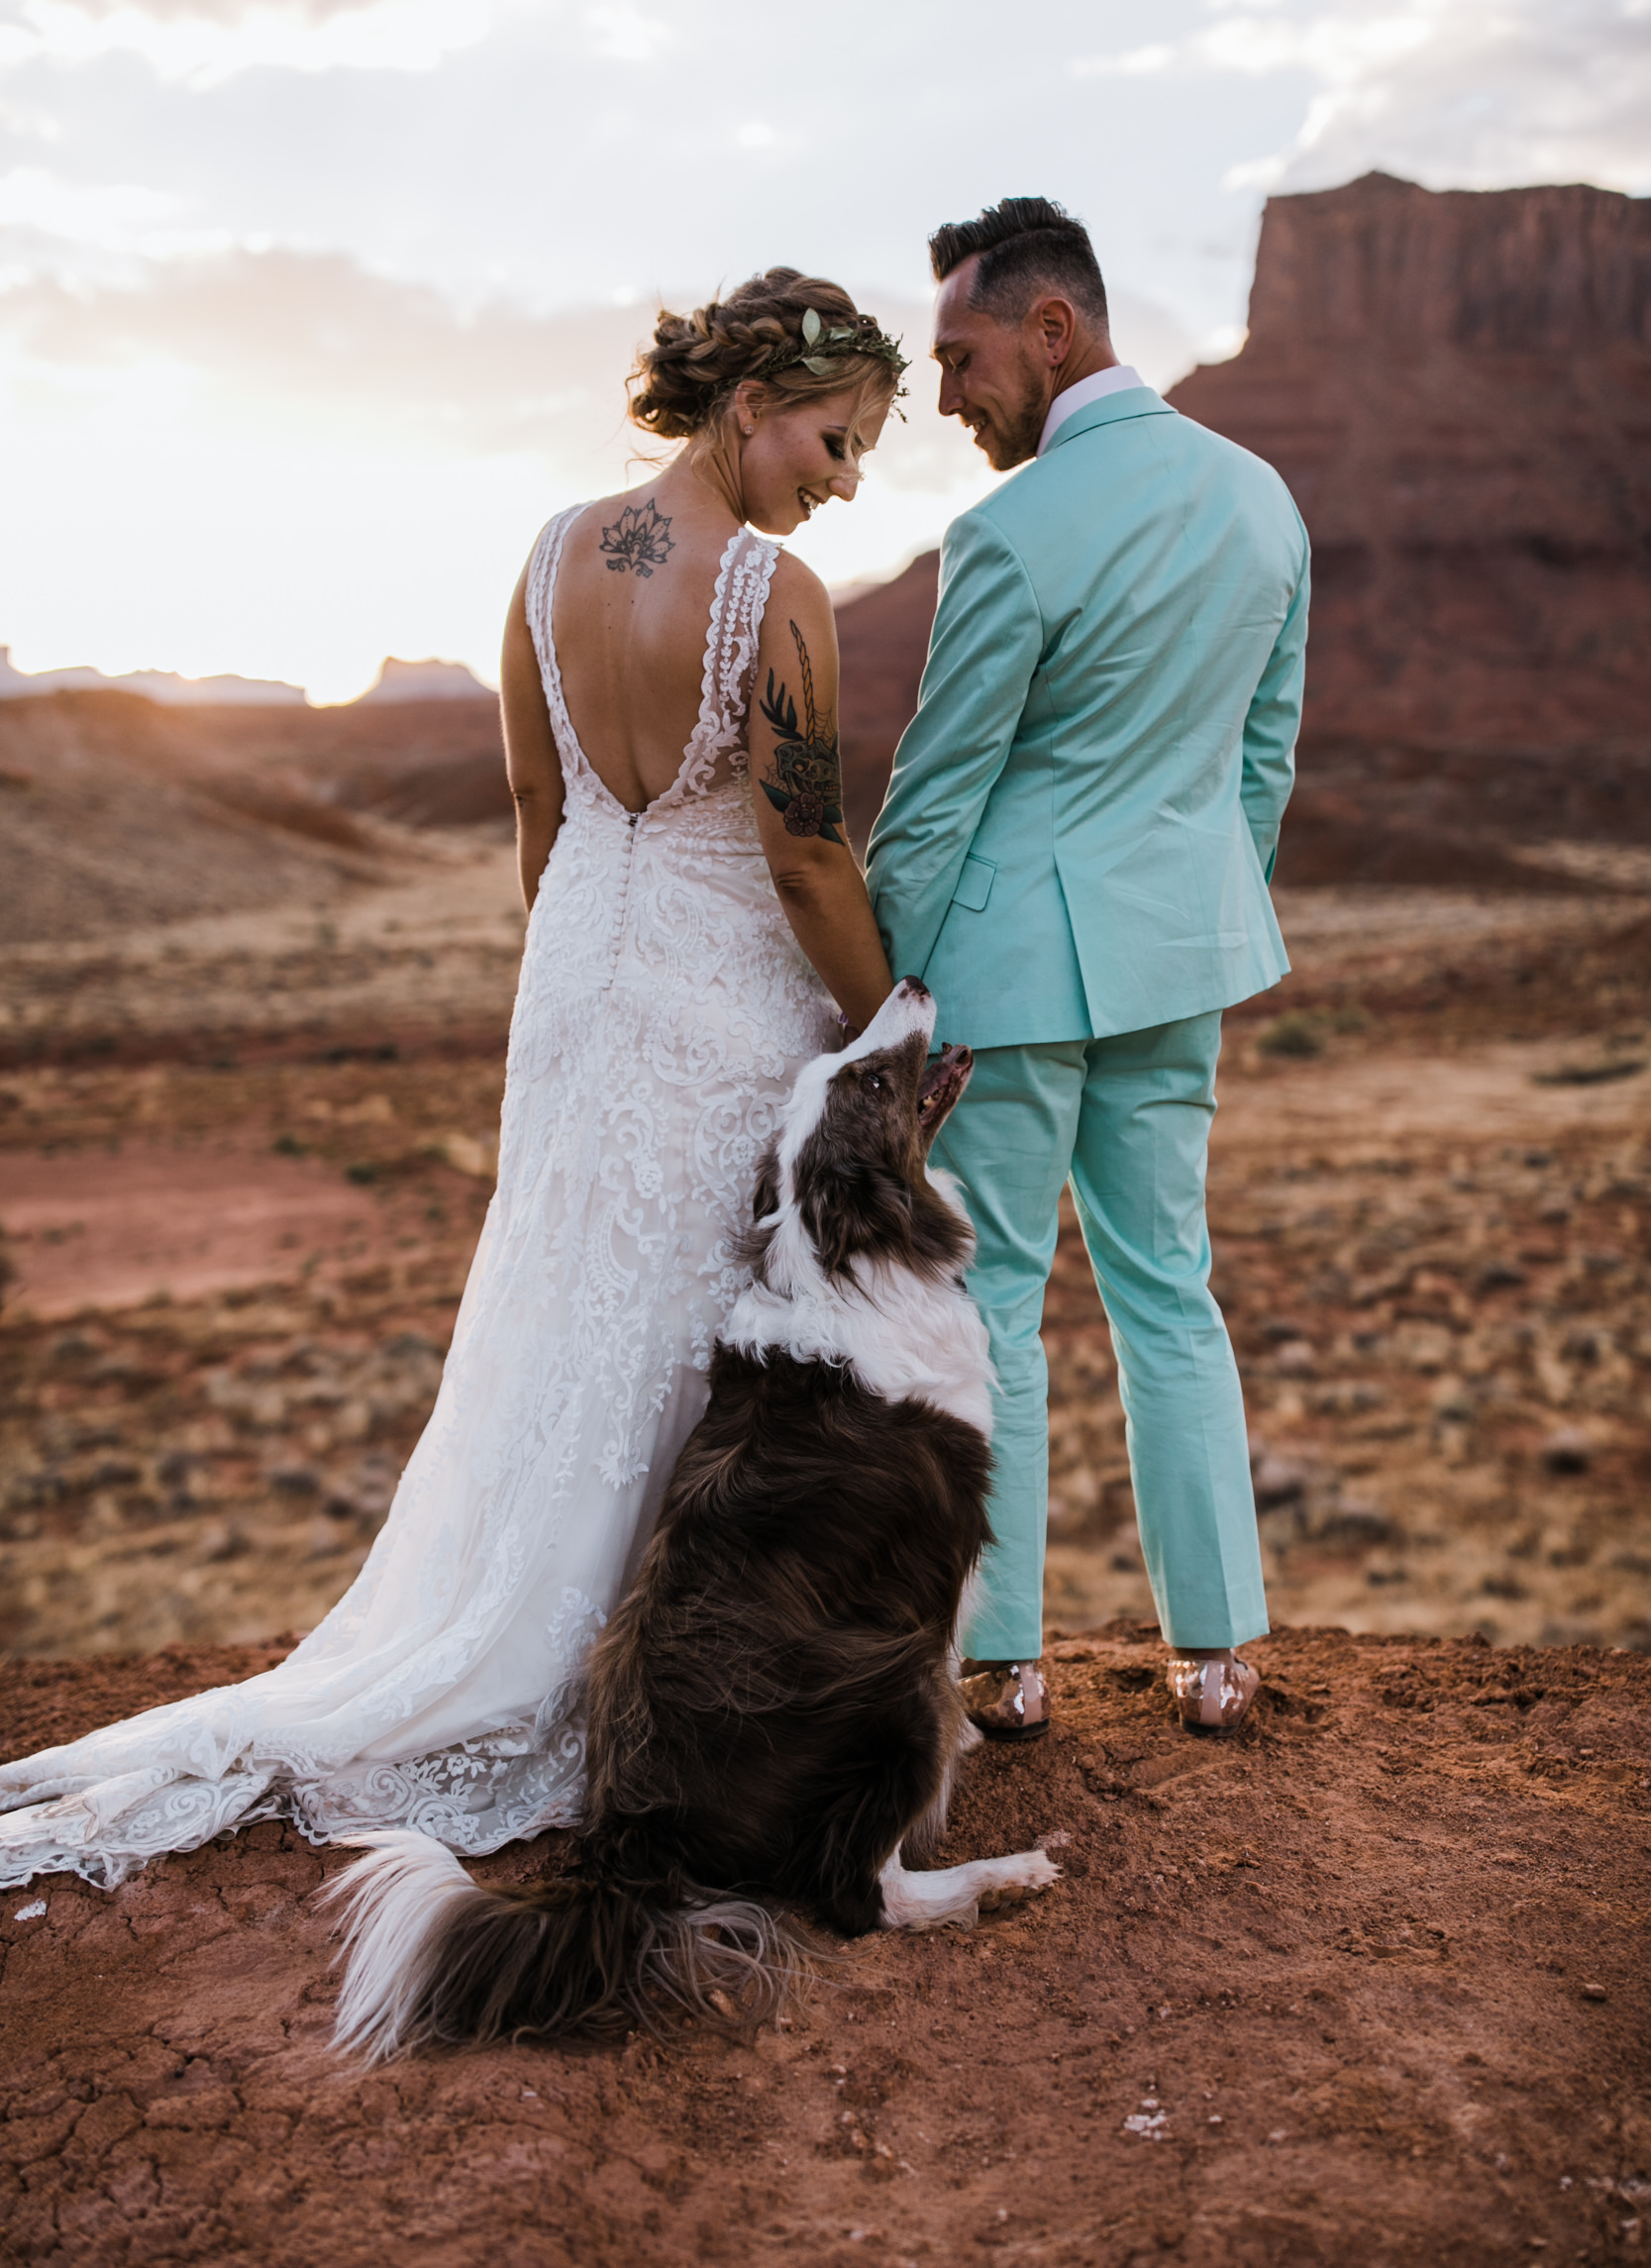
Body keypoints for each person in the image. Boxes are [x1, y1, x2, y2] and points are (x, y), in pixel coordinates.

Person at [0, 270, 901, 1890]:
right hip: (721, 1000)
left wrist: (572, 990)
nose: (847, 482)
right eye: (838, 442)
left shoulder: (550, 555)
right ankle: (630, 1675)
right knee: (685, 1323)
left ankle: (519, 1621)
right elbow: (810, 856)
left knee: (569, 1305)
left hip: (575, 974)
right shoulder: (774, 595)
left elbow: (535, 809)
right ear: (755, 405)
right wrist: (895, 1022)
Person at [866, 197, 1308, 1739]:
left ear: (1054, 331)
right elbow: (1263, 762)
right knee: (1167, 1286)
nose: (948, 395)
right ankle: (1217, 1653)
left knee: (999, 1297)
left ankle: (1007, 1663)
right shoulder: (1263, 503)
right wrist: (1193, 911)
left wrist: (891, 997)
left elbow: (936, 795)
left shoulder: (1007, 533)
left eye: (962, 354)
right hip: (1179, 960)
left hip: (1008, 974)